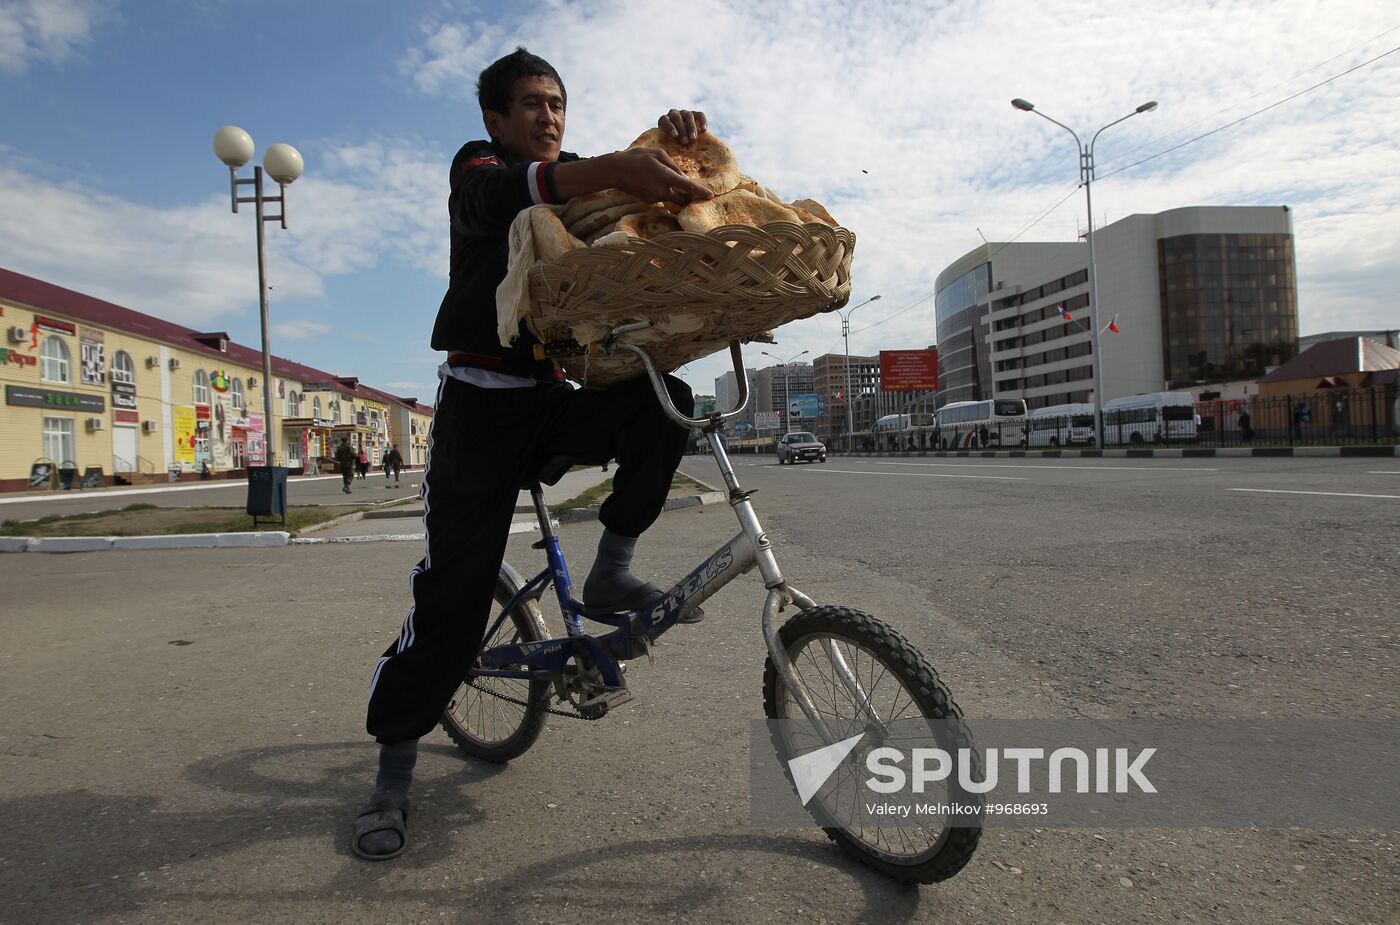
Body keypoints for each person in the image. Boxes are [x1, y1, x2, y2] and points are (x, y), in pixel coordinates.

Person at [350, 47, 714, 862]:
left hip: (547, 401)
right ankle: (393, 772)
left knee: (667, 408)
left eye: (557, 104)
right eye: (530, 105)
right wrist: (611, 168)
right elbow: (503, 195)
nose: (548, 118)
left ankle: (611, 568)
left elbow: (626, 183)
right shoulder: (478, 169)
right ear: (495, 118)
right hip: (476, 415)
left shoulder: (577, 175)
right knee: (452, 607)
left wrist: (676, 140)